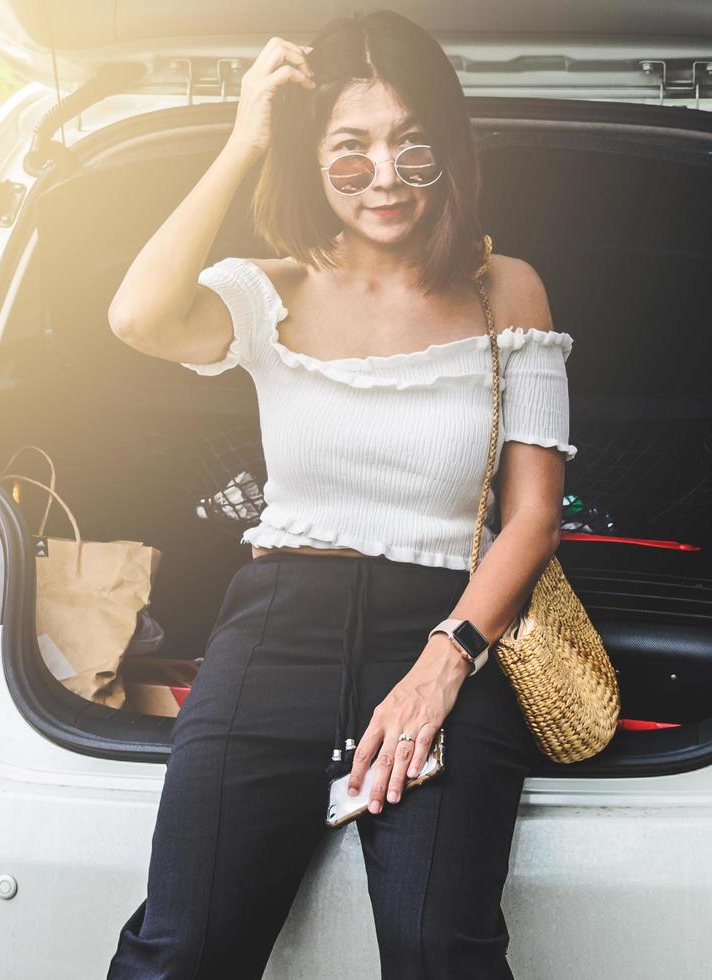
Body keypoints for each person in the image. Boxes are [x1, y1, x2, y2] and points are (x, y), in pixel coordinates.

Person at [105, 9, 577, 979]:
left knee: (439, 949)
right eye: (349, 148)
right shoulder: (268, 289)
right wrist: (243, 135)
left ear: (447, 152)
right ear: (309, 157)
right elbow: (137, 314)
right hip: (279, 623)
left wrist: (447, 662)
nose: (384, 177)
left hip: (448, 623)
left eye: (412, 147)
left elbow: (533, 514)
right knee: (180, 949)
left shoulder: (507, 289)